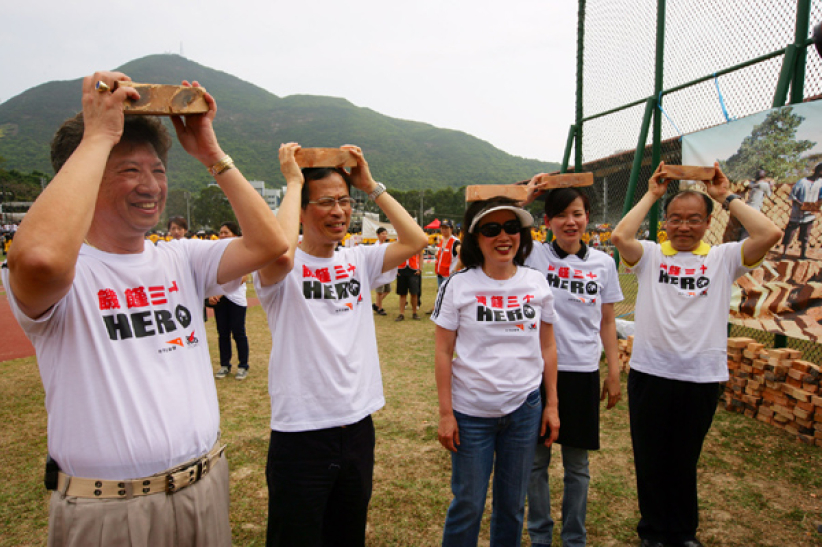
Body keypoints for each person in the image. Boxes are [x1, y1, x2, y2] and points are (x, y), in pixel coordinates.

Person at [1, 71, 288, 547]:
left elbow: (271, 244)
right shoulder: (68, 272)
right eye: (129, 170)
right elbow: (39, 258)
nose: (151, 185)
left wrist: (211, 155)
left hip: (204, 485)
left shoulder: (181, 257)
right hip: (110, 509)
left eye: (157, 170)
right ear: (87, 175)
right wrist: (97, 137)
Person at [254, 142, 428, 547]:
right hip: (301, 431)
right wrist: (293, 182)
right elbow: (278, 249)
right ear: (300, 210)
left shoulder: (357, 260)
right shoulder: (283, 267)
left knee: (347, 535)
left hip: (356, 424)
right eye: (326, 202)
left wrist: (371, 186)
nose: (339, 211)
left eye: (345, 202)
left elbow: (415, 239)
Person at [610, 161, 781, 547]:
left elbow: (770, 232)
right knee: (651, 459)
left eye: (693, 219)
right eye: (675, 219)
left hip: (701, 375)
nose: (684, 227)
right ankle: (652, 533)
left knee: (684, 460)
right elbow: (621, 236)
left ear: (707, 223)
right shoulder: (651, 255)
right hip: (650, 373)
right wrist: (652, 194)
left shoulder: (723, 258)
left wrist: (726, 197)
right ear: (665, 223)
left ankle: (683, 533)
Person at [432, 196, 560, 547]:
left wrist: (552, 405)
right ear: (475, 237)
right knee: (468, 503)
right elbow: (443, 351)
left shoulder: (536, 283)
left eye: (512, 228)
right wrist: (446, 413)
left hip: (524, 409)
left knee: (512, 505)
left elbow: (548, 346)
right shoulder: (457, 285)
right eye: (491, 229)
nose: (504, 237)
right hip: (471, 413)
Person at [521, 184, 623, 547]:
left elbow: (607, 320)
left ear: (587, 219)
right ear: (546, 221)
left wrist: (613, 371)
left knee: (577, 466)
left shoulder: (603, 263)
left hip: (582, 372)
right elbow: (497, 223)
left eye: (577, 213)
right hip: (537, 372)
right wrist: (528, 197)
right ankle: (540, 536)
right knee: (536, 463)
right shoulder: (532, 254)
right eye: (561, 215)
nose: (570, 221)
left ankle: (574, 538)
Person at [209, 221, 250, 380]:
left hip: (236, 299)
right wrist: (211, 293)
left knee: (238, 333)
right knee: (222, 333)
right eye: (221, 232)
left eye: (226, 232)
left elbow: (243, 277)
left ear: (235, 235)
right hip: (220, 301)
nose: (223, 235)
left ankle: (243, 365)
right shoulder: (215, 254)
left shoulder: (242, 252)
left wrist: (220, 293)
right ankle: (224, 365)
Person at [781, 163, 822, 259]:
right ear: (818, 171)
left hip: (809, 214)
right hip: (797, 213)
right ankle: (784, 254)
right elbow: (793, 195)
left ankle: (802, 254)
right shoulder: (802, 182)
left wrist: (814, 206)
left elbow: (820, 197)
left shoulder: (820, 183)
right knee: (790, 233)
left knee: (805, 235)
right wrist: (801, 205)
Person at [426, 220, 461, 314]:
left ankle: (445, 311)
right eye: (442, 228)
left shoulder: (455, 242)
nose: (444, 230)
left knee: (448, 294)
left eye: (446, 228)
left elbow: (462, 256)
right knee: (441, 292)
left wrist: (454, 270)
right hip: (440, 272)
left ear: (451, 229)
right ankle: (436, 308)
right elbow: (440, 254)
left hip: (448, 274)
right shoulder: (442, 240)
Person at [395, 249, 423, 321]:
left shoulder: (417, 242)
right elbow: (395, 256)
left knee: (414, 293)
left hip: (413, 269)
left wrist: (420, 269)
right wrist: (395, 269)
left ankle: (414, 313)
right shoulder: (400, 242)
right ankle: (401, 314)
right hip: (401, 269)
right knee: (402, 293)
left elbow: (420, 255)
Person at [372, 226, 390, 316]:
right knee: (379, 292)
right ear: (378, 235)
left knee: (387, 290)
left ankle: (376, 304)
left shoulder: (386, 245)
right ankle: (379, 308)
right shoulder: (376, 246)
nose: (385, 235)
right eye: (383, 234)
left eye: (386, 233)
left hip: (386, 271)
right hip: (379, 271)